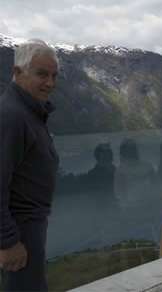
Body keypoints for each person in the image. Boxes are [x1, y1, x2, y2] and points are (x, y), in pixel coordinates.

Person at [0, 39, 59, 291]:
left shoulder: (28, 110)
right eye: (41, 74)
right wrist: (8, 241)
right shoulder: (12, 116)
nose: (50, 83)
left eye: (54, 75)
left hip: (28, 225)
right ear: (17, 72)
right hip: (20, 229)